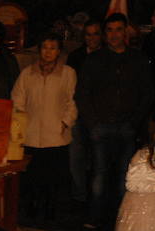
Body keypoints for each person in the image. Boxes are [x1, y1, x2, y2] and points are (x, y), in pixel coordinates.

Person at [76, 12, 154, 229]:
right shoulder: (94, 60)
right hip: (100, 126)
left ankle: (122, 220)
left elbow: (146, 94)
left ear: (126, 31)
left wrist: (134, 122)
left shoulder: (137, 59)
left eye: (118, 29)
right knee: (99, 174)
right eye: (109, 30)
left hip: (127, 126)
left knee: (124, 176)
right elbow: (82, 93)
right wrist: (93, 124)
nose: (114, 35)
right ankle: (94, 217)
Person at [11, 31, 77, 225]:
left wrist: (65, 122)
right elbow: (17, 99)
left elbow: (72, 102)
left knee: (53, 178)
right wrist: (22, 122)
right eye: (45, 48)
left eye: (53, 48)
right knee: (32, 177)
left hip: (56, 135)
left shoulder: (67, 73)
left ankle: (50, 212)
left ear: (59, 51)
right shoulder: (27, 73)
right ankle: (31, 209)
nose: (48, 52)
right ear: (39, 49)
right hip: (31, 134)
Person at [67, 19, 102, 205]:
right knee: (76, 157)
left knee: (98, 159)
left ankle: (96, 198)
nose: (92, 38)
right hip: (79, 114)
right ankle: (78, 196)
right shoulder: (75, 57)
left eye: (96, 33)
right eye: (88, 34)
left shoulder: (107, 55)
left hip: (101, 116)